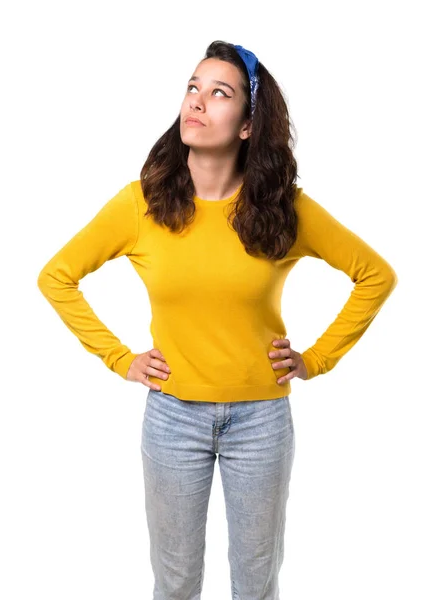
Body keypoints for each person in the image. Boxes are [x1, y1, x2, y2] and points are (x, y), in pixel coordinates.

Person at [37, 40, 398, 600]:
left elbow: (375, 275)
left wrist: (316, 360)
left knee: (256, 582)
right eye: (192, 87)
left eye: (219, 92)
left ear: (249, 124)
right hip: (171, 416)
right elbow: (56, 276)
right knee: (175, 581)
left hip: (261, 421)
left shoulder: (283, 208)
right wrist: (120, 359)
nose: (198, 101)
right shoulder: (141, 205)